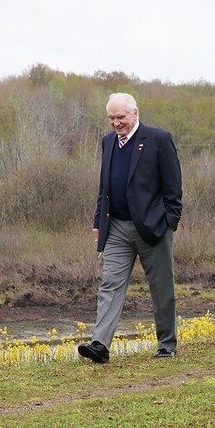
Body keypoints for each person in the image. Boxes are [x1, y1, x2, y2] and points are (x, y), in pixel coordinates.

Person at [78, 93, 183, 363]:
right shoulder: (108, 142)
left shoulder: (158, 139)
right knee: (110, 284)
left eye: (120, 117)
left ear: (135, 113)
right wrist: (98, 221)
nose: (116, 123)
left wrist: (169, 221)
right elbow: (105, 186)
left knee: (161, 287)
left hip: (153, 228)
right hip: (115, 229)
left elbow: (173, 188)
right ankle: (100, 345)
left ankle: (166, 345)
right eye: (111, 118)